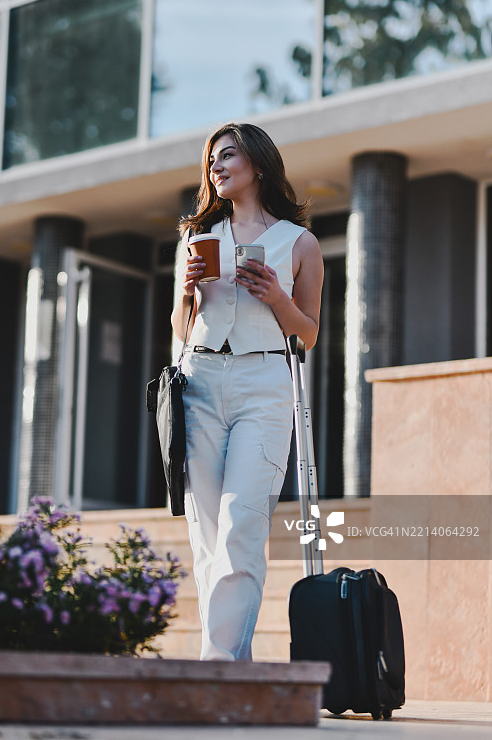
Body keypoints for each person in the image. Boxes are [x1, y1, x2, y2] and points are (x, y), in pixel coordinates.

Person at [171, 122, 323, 661]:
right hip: (201, 381)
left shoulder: (298, 242)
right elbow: (181, 330)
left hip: (265, 384)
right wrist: (187, 293)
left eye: (228, 155)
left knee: (241, 526)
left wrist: (278, 298)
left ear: (257, 165)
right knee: (206, 533)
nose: (216, 166)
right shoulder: (196, 239)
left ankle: (218, 670)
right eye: (212, 158)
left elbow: (307, 333)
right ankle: (230, 662)